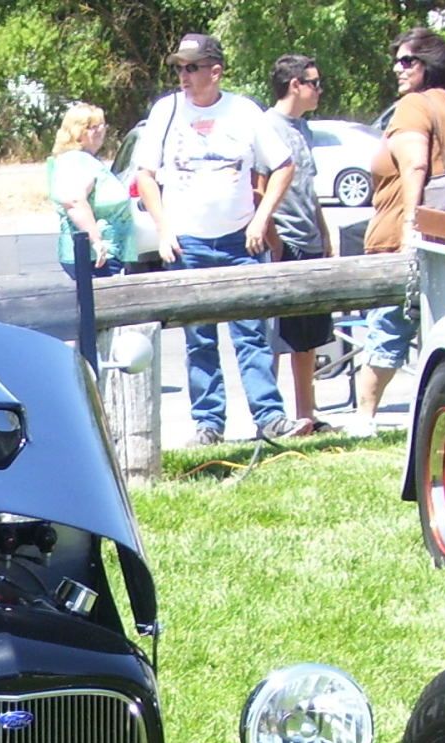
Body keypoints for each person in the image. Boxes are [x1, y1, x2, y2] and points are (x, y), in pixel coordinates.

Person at [134, 33, 306, 445]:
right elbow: (144, 175)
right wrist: (164, 228)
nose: (184, 76)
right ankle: (208, 423)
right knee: (199, 339)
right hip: (188, 243)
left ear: (215, 71)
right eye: (179, 68)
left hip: (238, 243)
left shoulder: (243, 111)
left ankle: (269, 417)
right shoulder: (166, 111)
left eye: (192, 67)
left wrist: (260, 220)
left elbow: (283, 166)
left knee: (252, 334)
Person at [352, 27, 445, 436]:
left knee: (388, 330)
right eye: (395, 59)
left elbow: (414, 165)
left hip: (409, 242)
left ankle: (364, 419)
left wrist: (412, 225)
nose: (398, 67)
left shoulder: (414, 105)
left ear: (430, 63)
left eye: (407, 60)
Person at [258, 54, 334, 434]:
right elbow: (259, 189)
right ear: (295, 86)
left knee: (309, 337)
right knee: (275, 336)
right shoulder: (266, 127)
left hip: (310, 239)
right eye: (314, 83)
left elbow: (310, 188)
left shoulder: (305, 128)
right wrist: (273, 239)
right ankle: (271, 418)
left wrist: (324, 232)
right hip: (282, 241)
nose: (319, 90)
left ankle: (307, 415)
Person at [48, 103, 132, 282]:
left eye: (102, 125)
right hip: (96, 258)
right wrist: (96, 241)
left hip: (103, 255)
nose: (102, 130)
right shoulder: (76, 161)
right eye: (94, 127)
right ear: (78, 133)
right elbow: (74, 201)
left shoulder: (86, 160)